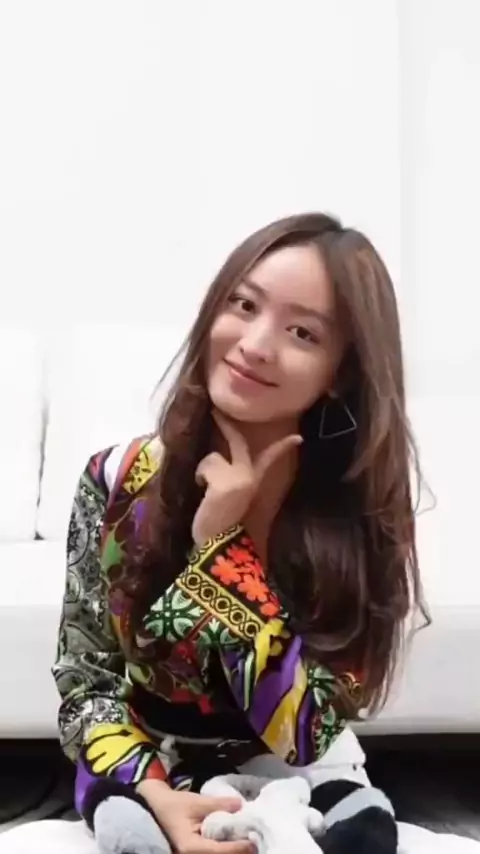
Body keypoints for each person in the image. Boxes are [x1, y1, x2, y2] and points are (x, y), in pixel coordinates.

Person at [52, 212, 427, 853]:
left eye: (302, 332)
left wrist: (221, 551)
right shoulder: (117, 479)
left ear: (340, 370)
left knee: (362, 834)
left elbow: (306, 733)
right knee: (131, 835)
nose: (255, 344)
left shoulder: (361, 514)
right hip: (145, 760)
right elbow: (86, 680)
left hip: (300, 768)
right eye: (244, 305)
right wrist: (155, 793)